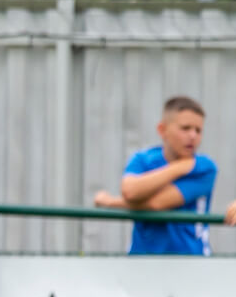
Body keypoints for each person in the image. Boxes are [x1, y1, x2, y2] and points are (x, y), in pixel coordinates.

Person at [93, 96, 217, 255]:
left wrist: (109, 202)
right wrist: (178, 168)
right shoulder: (142, 160)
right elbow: (130, 191)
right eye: (185, 128)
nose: (193, 136)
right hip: (143, 261)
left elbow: (157, 204)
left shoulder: (205, 168)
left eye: (198, 130)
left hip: (191, 261)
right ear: (162, 130)